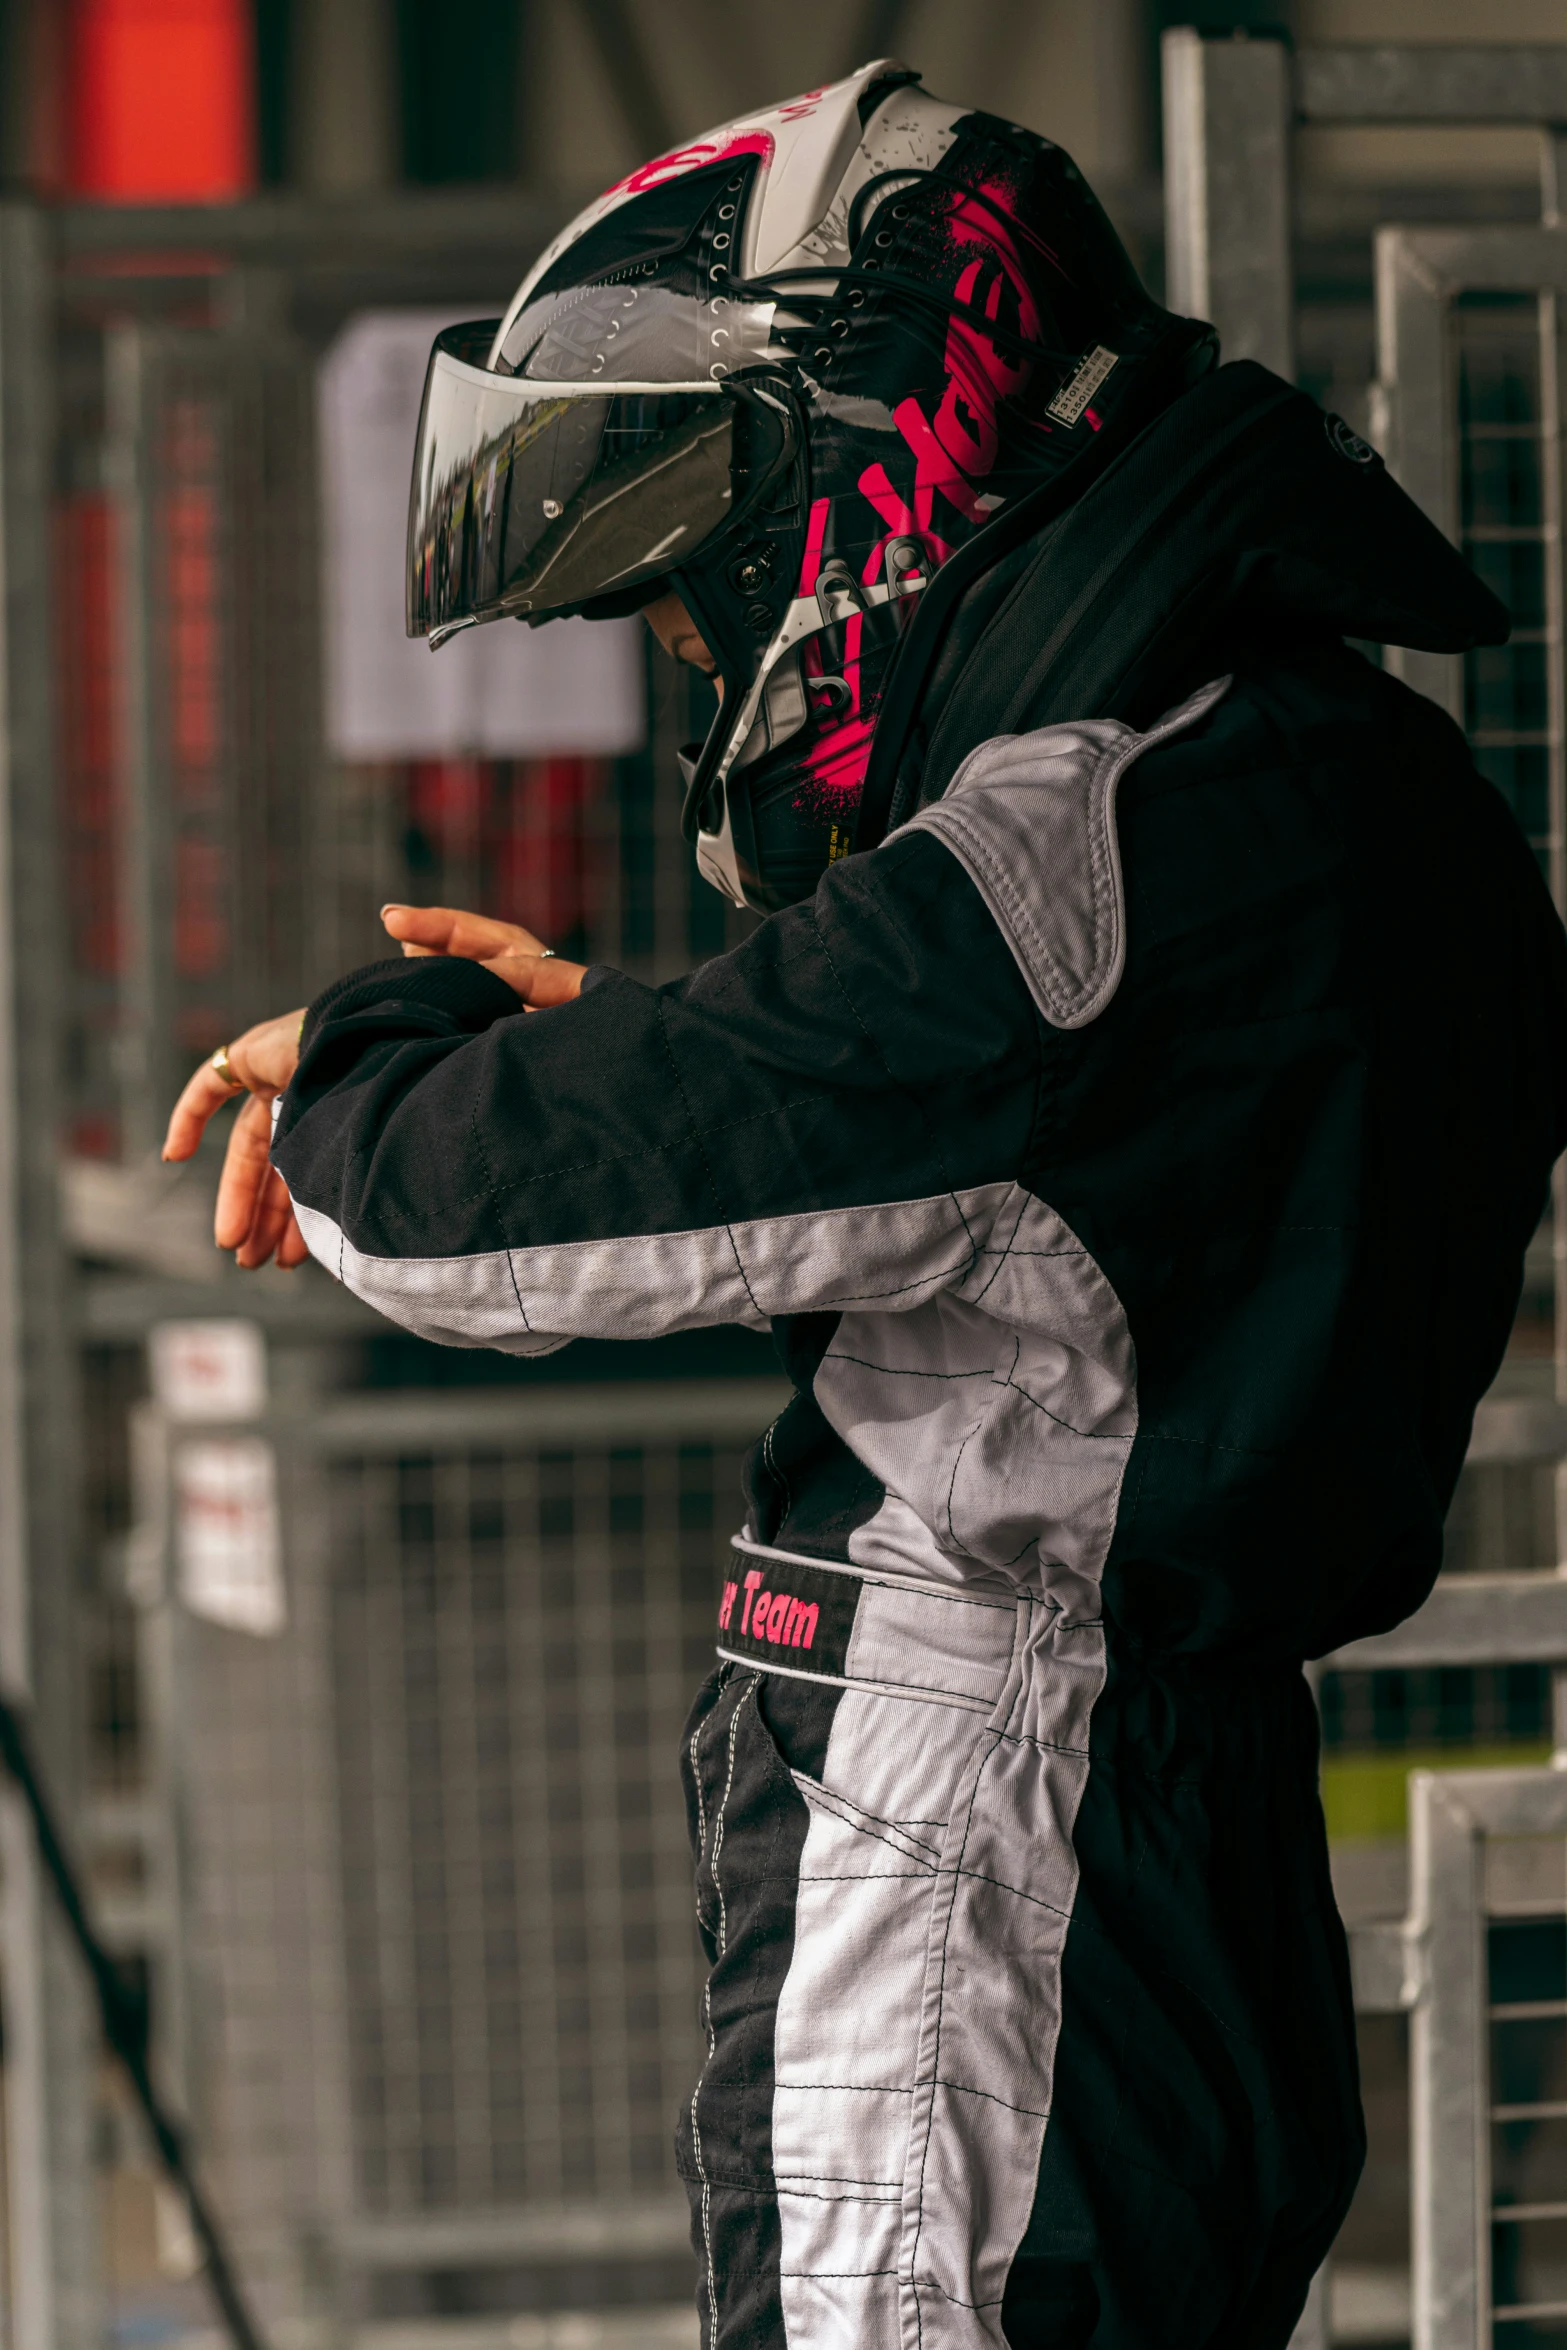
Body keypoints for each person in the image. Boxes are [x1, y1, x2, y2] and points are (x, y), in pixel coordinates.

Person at [164, 60, 1567, 2350]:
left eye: (711, 593)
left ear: (878, 462)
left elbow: (450, 1212)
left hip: (988, 1850)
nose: (712, 653)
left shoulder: (1072, 849)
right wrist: (634, 1030)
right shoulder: (1354, 803)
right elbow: (1066, 1231)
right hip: (1175, 1855)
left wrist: (357, 1049)